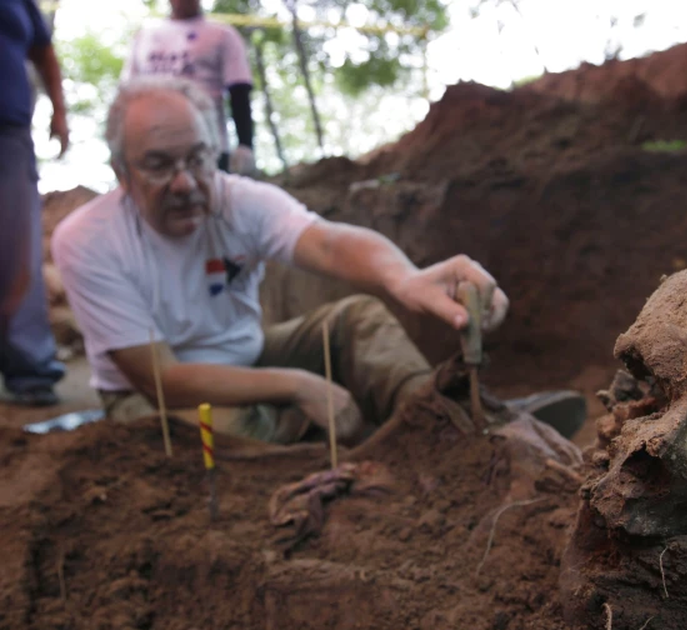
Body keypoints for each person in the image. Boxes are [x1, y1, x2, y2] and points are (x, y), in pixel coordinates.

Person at [52, 77, 585, 444]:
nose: (186, 183)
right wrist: (299, 385)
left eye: (197, 158)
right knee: (228, 427)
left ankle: (447, 426)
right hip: (154, 401)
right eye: (159, 166)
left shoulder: (239, 200)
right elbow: (161, 380)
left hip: (251, 355)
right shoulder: (89, 240)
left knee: (356, 320)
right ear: (121, 172)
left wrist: (403, 277)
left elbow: (327, 242)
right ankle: (369, 459)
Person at [0, 0, 69, 406]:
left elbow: (43, 51)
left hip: (9, 132)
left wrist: (59, 112)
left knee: (18, 251)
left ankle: (31, 370)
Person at [122, 0, 255, 175]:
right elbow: (127, 94)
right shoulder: (145, 36)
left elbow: (239, 91)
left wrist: (245, 144)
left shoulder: (222, 34)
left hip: (207, 146)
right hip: (153, 147)